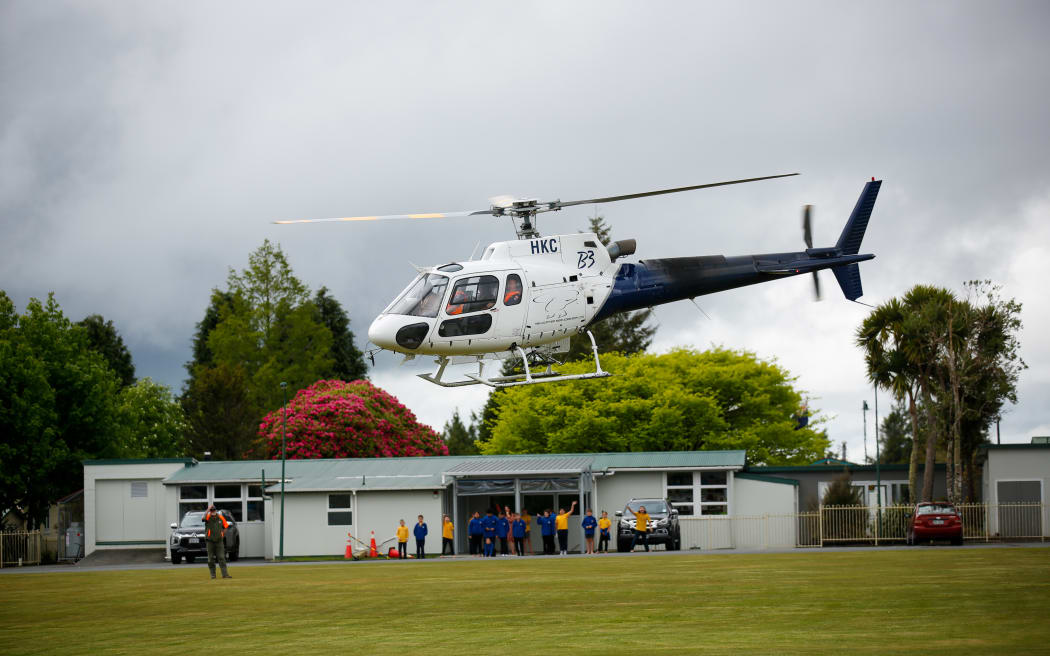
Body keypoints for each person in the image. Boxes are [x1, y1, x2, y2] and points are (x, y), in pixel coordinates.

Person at [203, 505, 231, 579]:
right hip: (210, 541)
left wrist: (222, 534)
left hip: (219, 541)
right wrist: (207, 510)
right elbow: (203, 518)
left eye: (213, 510)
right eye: (211, 510)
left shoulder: (220, 517)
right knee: (210, 558)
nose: (213, 512)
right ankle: (213, 574)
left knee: (221, 557)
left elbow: (226, 526)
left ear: (216, 510)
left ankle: (225, 574)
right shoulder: (208, 517)